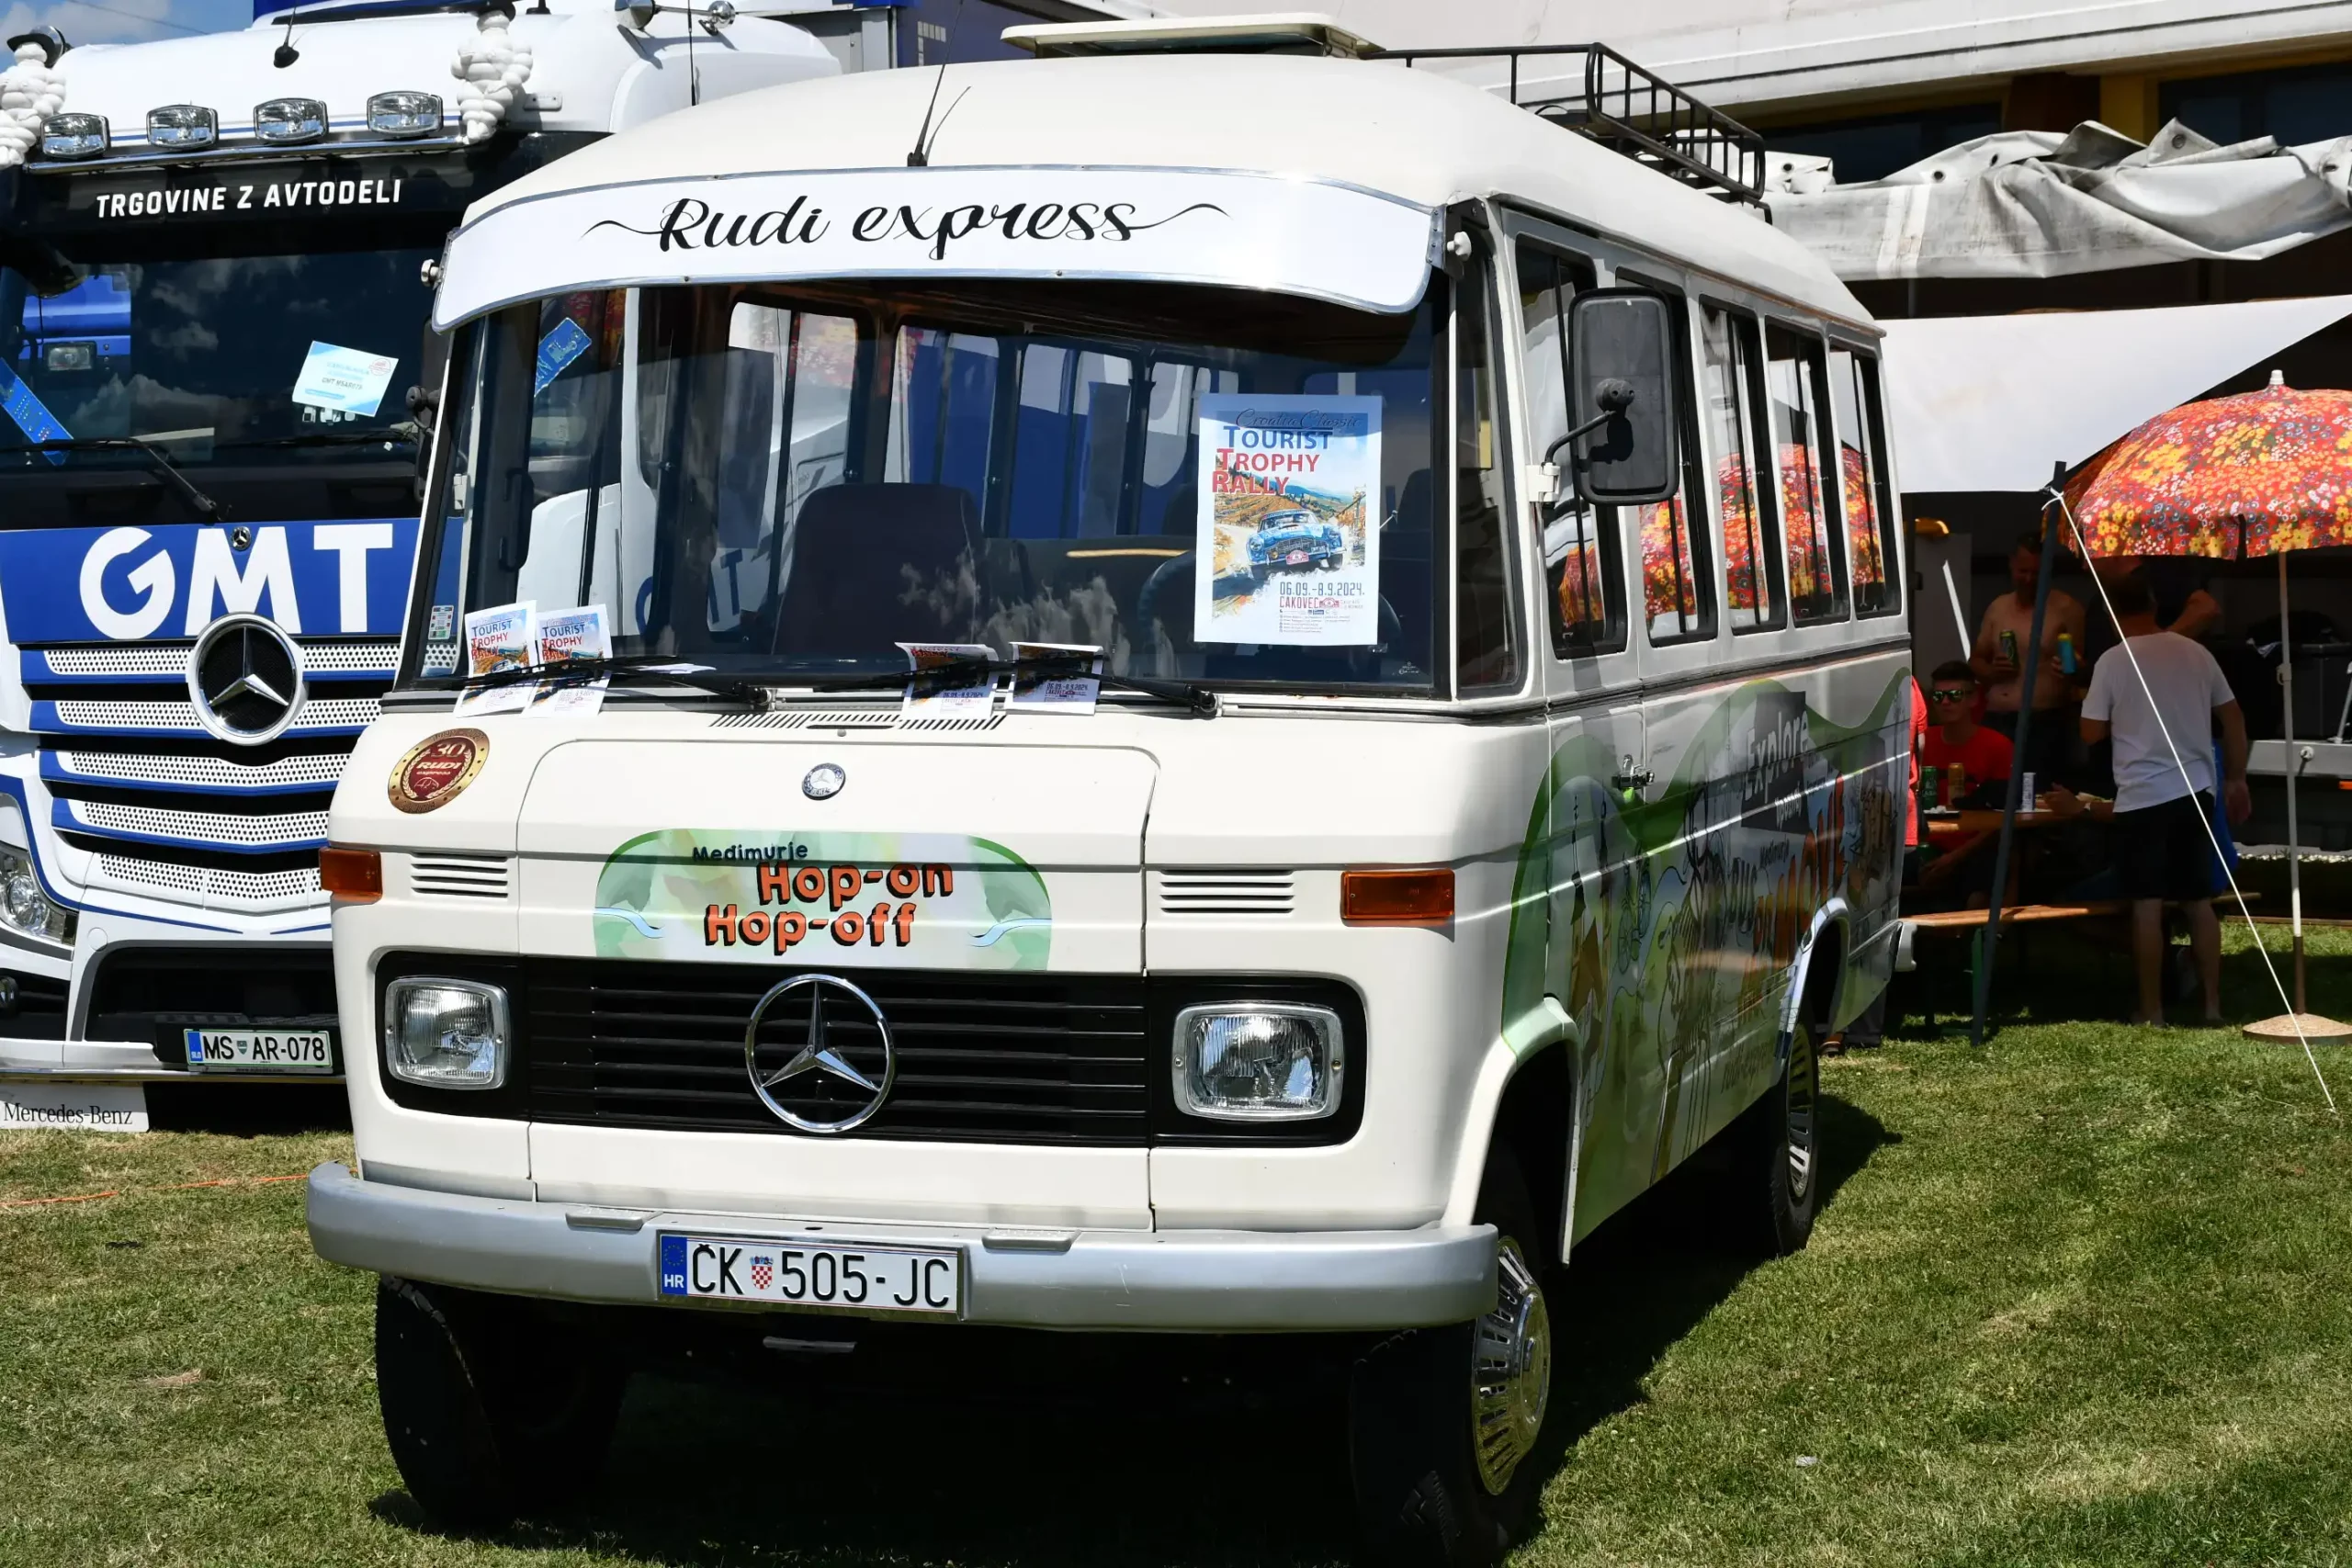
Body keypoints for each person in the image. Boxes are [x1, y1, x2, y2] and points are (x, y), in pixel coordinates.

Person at [2080, 571, 2251, 1026]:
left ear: (2114, 614)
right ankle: (2212, 1006)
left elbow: (2090, 731)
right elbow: (2232, 717)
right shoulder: (2197, 653)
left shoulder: (2112, 661)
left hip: (2142, 795)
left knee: (2147, 903)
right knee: (2199, 901)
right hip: (2197, 788)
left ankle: (2152, 1010)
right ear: (2155, 605)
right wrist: (2236, 777)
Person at [1972, 527, 2085, 785]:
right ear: (2011, 565)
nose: (2029, 579)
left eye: (2037, 573)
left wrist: (2073, 668)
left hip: (2045, 721)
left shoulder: (2066, 608)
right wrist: (1991, 672)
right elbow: (1975, 660)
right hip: (1999, 717)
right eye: (2023, 571)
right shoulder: (1998, 607)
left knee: (2040, 794)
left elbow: (2083, 670)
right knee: (1994, 789)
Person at [1920, 660, 2014, 802]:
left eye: (1955, 695)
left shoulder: (1998, 746)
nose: (1945, 702)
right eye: (1938, 696)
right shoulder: (1922, 741)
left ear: (1974, 699)